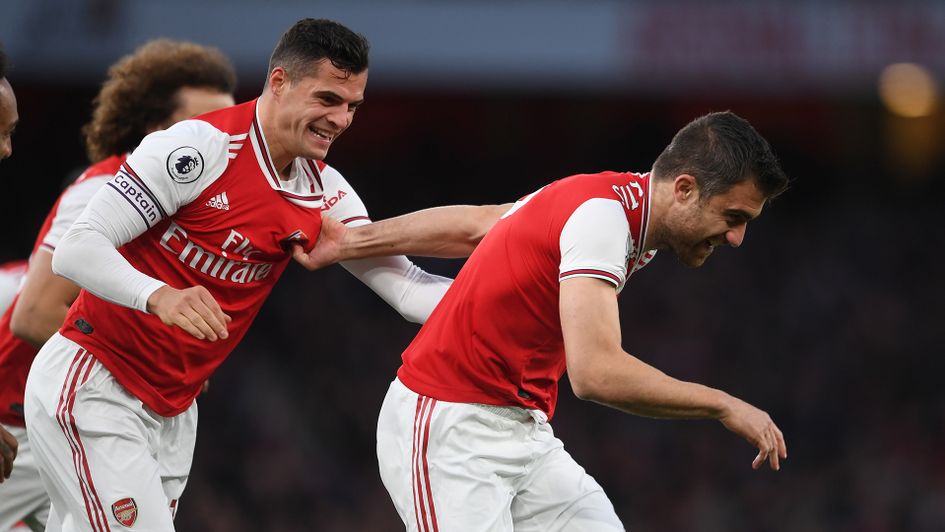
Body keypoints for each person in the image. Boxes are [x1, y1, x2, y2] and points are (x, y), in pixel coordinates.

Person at [24, 19, 505, 531]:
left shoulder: (325, 191)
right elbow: (76, 248)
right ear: (279, 82)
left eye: (352, 106)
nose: (340, 119)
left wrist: (516, 308)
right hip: (97, 382)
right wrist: (159, 296)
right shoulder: (199, 148)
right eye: (327, 99)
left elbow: (407, 288)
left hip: (173, 410)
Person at [297, 111, 791, 531]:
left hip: (522, 432)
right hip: (449, 428)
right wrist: (722, 405)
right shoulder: (605, 222)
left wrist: (357, 241)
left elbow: (483, 225)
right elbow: (595, 373)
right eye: (732, 217)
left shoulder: (603, 201)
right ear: (684, 189)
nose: (737, 239)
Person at [0, 39, 237, 532]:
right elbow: (34, 314)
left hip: (92, 416)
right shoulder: (105, 189)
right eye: (203, 126)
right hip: (24, 421)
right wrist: (150, 352)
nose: (218, 140)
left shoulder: (202, 210)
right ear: (154, 130)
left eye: (228, 129)